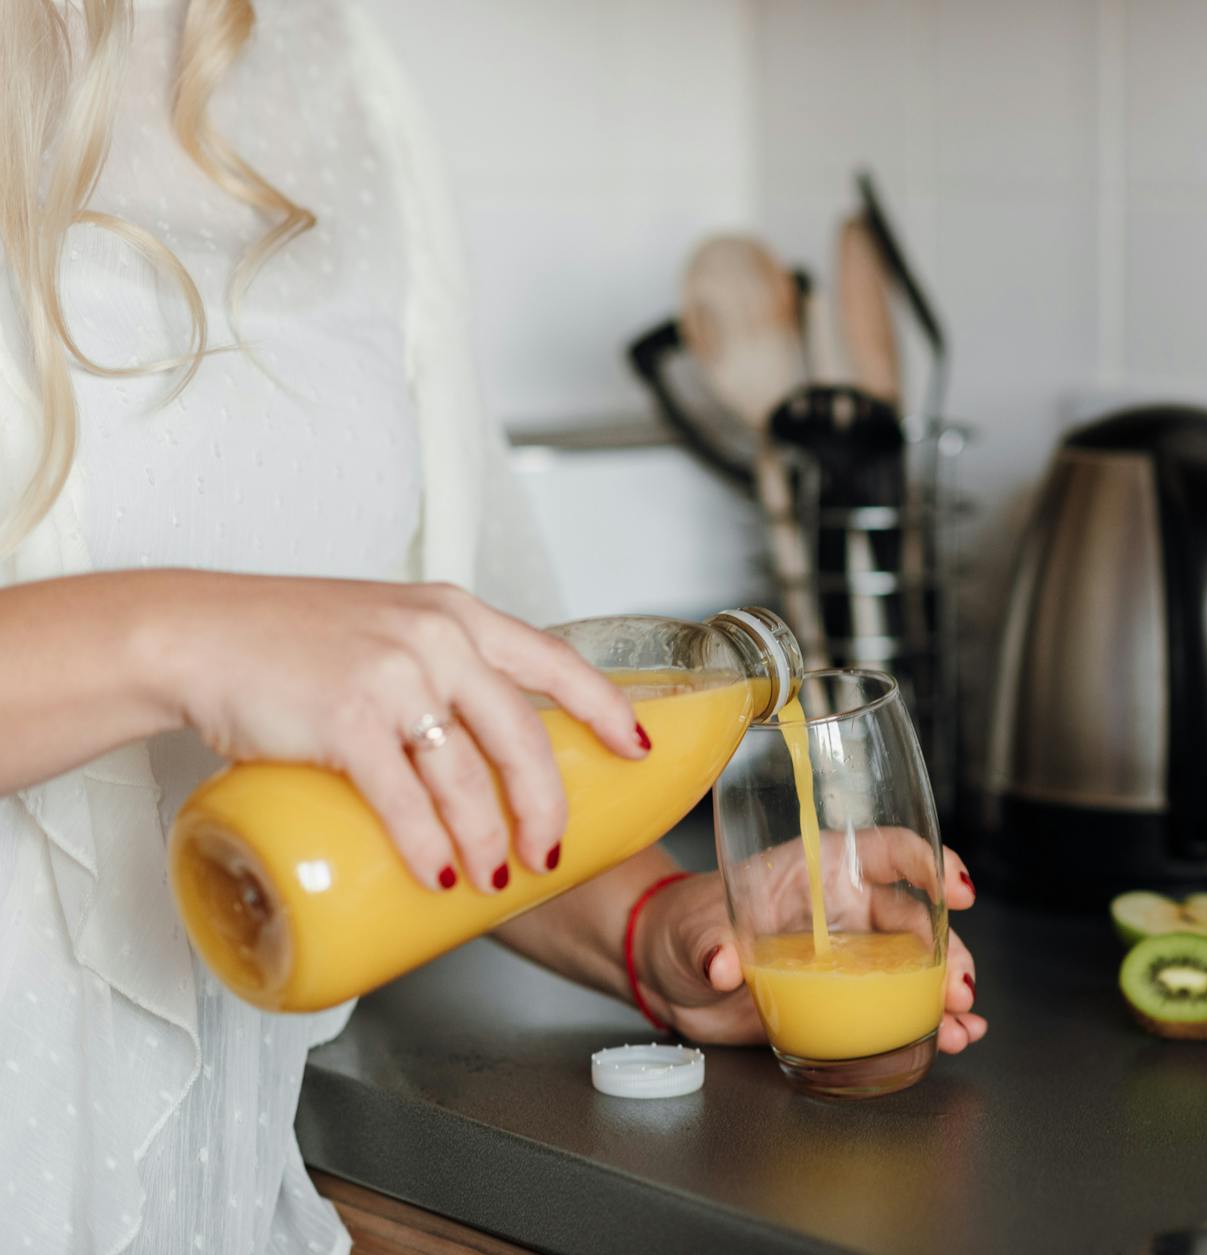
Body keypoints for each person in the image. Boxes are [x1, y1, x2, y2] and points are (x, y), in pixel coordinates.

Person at [0, 2, 986, 1251]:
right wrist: (180, 641)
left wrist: (648, 930)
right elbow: (245, 650)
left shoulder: (332, 74)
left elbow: (447, 715)